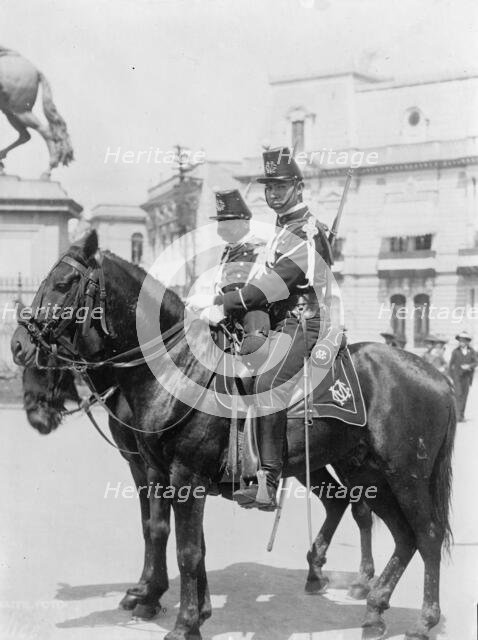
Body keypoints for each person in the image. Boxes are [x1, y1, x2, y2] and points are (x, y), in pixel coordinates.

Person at [188, 146, 334, 509]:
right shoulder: (280, 232)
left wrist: (222, 303)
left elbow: (270, 286)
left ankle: (267, 481)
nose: (273, 193)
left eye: (281, 186)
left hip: (303, 320)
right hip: (278, 321)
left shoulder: (306, 231)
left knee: (267, 384)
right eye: (269, 186)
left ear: (298, 187)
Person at [210, 189, 269, 358]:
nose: (222, 227)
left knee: (254, 353)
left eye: (228, 222)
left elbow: (254, 292)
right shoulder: (228, 251)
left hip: (253, 317)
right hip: (225, 316)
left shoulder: (260, 250)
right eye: (221, 221)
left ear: (244, 223)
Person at [449, 330, 478, 422]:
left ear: (467, 341)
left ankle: (461, 415)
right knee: (458, 395)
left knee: (464, 396)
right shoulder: (455, 351)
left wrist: (469, 366)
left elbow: (476, 362)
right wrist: (452, 376)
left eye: (464, 341)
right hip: (457, 376)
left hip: (467, 377)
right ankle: (457, 416)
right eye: (460, 341)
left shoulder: (472, 351)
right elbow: (451, 364)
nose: (462, 342)